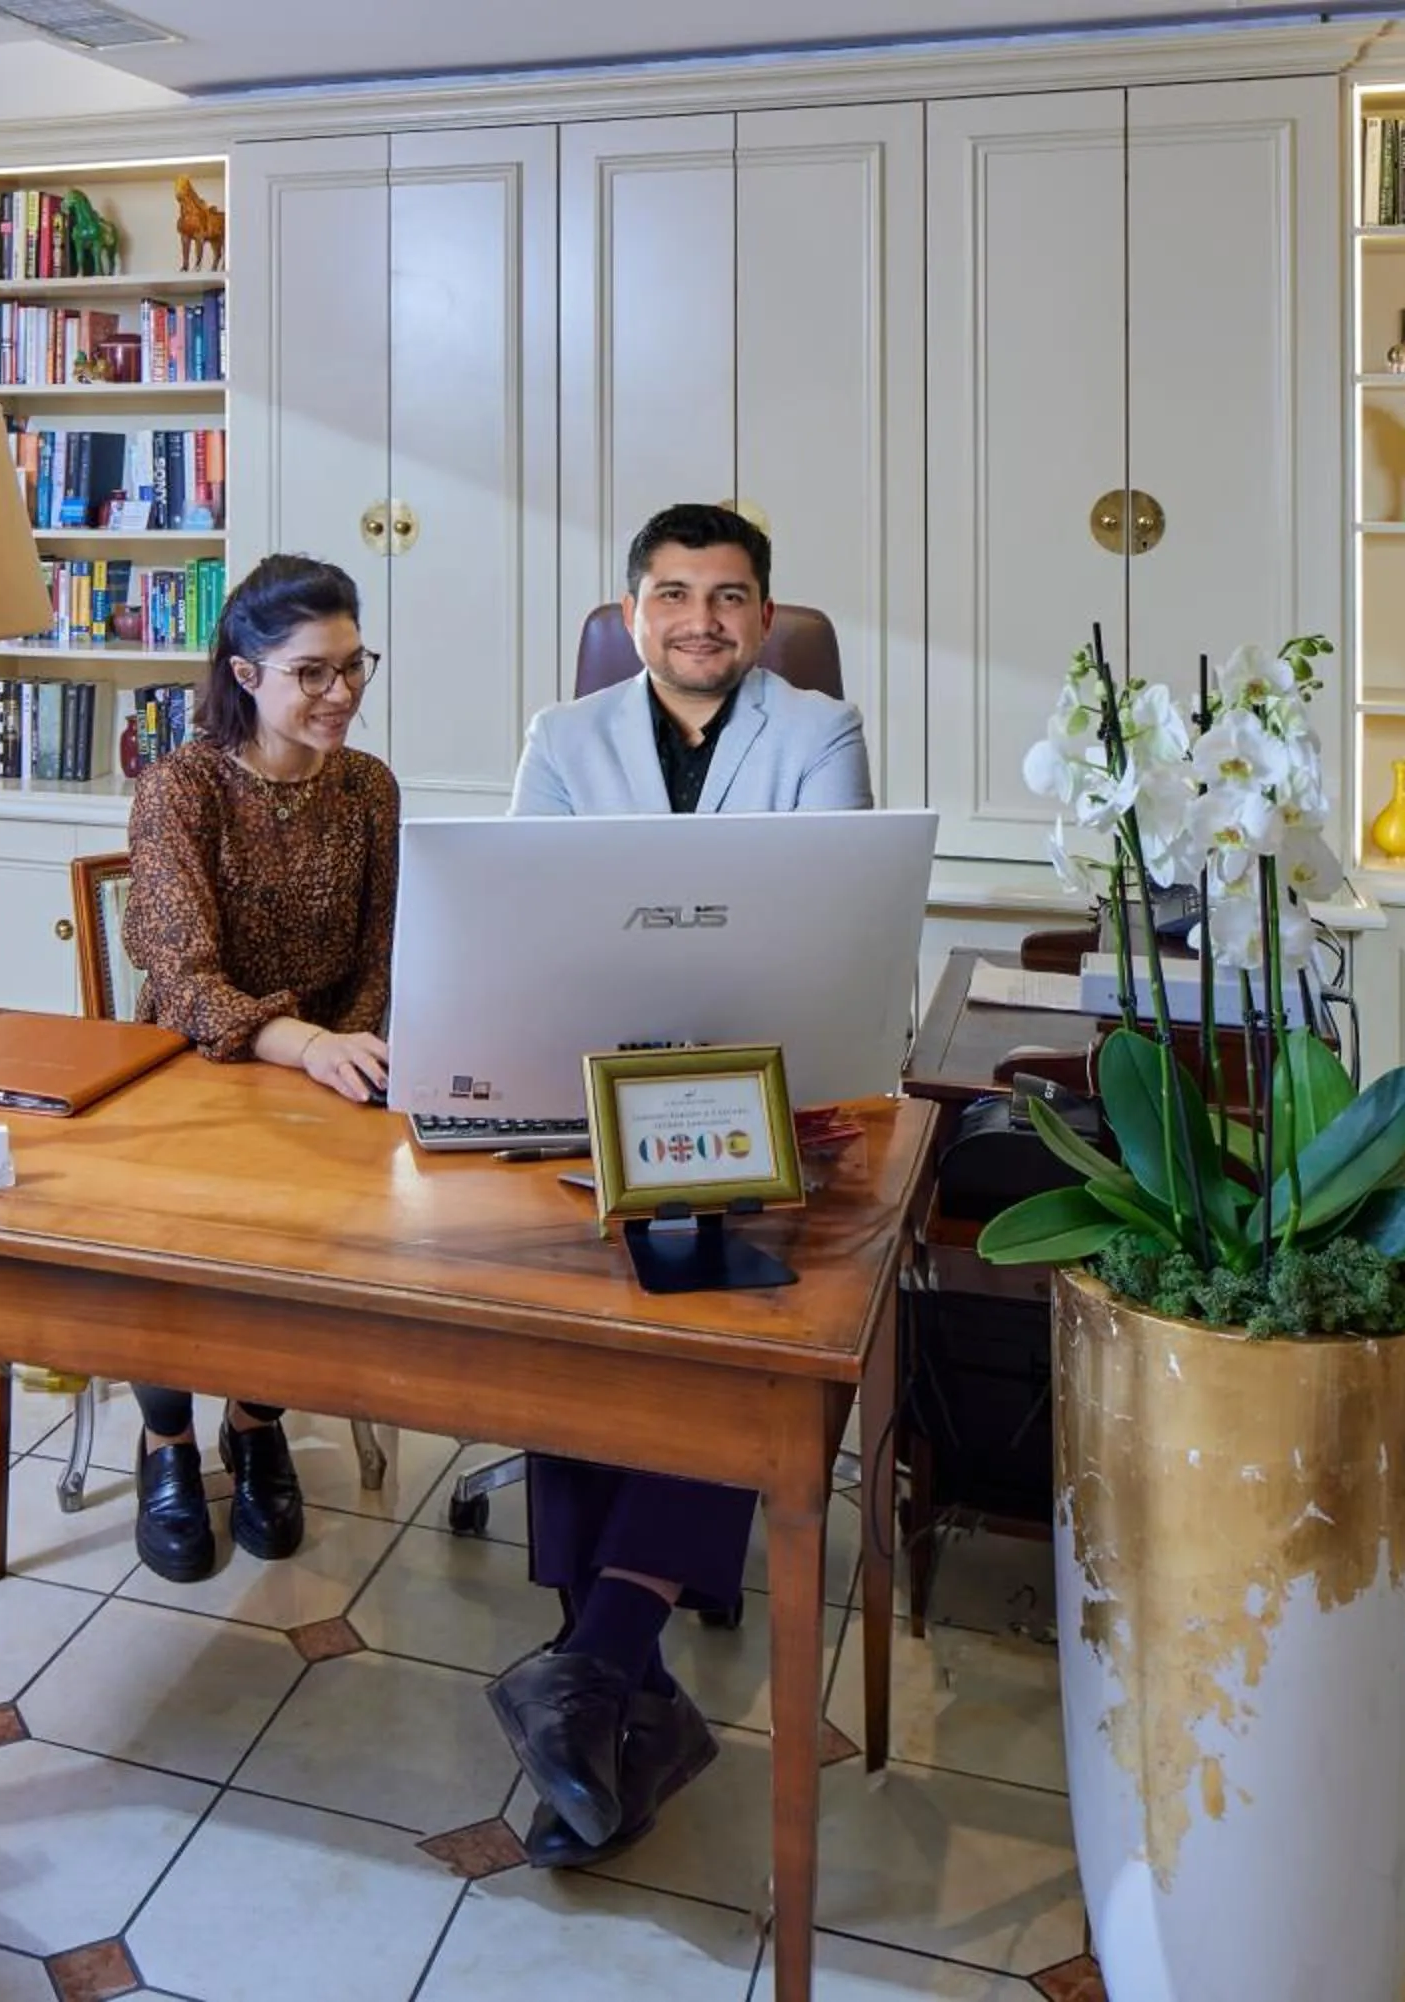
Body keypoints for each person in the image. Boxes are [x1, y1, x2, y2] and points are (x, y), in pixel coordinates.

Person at [490, 501, 873, 1869]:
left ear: (763, 619)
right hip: (590, 1088)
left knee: (722, 1322)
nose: (697, 619)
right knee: (570, 1311)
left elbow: (817, 918)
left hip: (758, 1095)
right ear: (631, 609)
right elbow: (533, 918)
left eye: (726, 597)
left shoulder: (815, 730)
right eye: (670, 594)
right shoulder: (564, 734)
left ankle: (588, 1665)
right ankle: (609, 1684)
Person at [120, 554, 400, 1583]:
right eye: (312, 673)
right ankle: (167, 1439)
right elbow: (181, 975)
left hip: (327, 1074)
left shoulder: (370, 788)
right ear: (245, 676)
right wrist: (303, 1045)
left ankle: (253, 1414)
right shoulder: (180, 788)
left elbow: (382, 957)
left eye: (354, 665)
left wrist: (351, 1054)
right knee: (158, 1233)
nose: (341, 694)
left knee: (312, 1227)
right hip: (193, 1067)